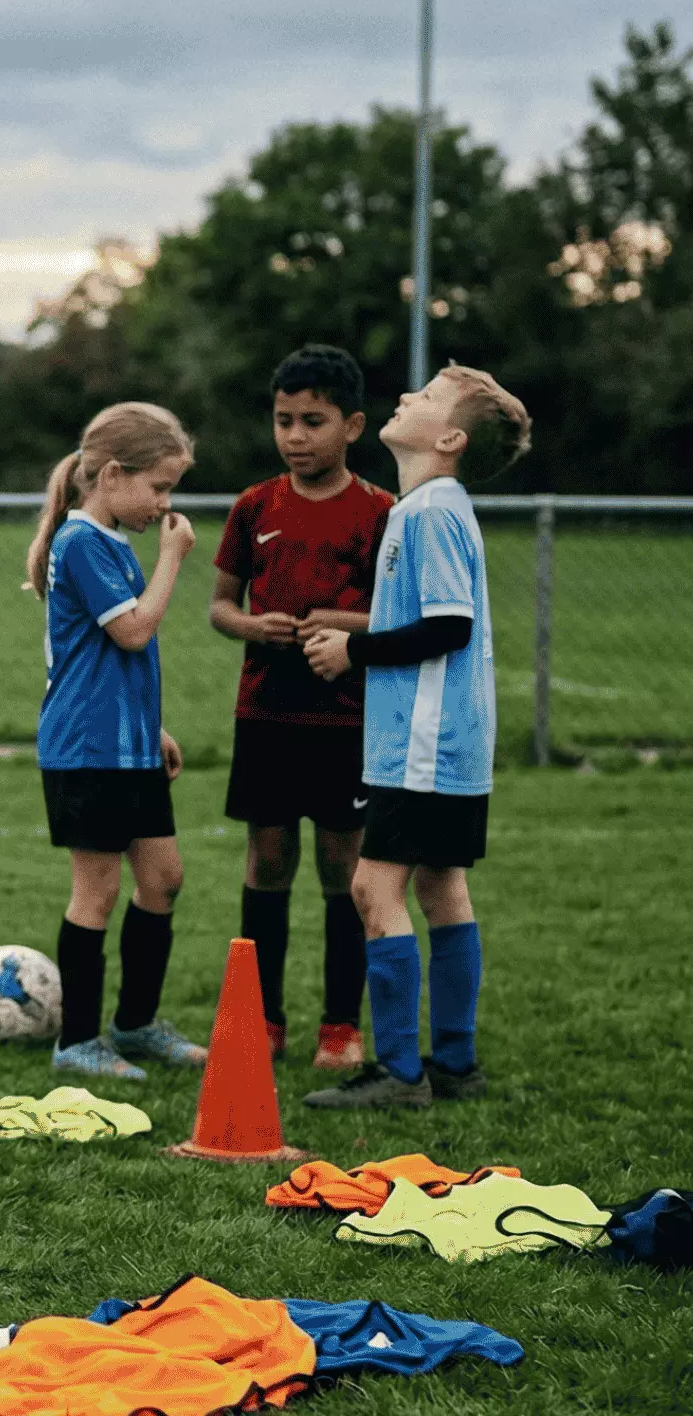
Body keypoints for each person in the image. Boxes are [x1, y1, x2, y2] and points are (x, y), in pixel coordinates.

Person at [302, 365, 531, 1110]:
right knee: (440, 887)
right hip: (450, 742)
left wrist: (353, 650)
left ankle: (400, 1074)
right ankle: (456, 1064)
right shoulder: (435, 507)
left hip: (425, 745)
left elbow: (446, 626)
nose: (406, 397)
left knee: (373, 887)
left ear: (450, 438)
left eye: (427, 397)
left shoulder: (429, 512)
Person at [208, 345, 395, 1069]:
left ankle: (339, 1028)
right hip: (266, 714)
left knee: (343, 869)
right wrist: (254, 627)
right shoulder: (255, 506)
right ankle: (264, 1021)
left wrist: (341, 625)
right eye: (283, 420)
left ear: (352, 426)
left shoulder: (381, 511)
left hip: (348, 718)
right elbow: (222, 607)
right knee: (268, 860)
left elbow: (401, 616)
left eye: (312, 421)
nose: (294, 435)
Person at [27, 403, 206, 1084]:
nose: (165, 504)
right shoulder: (80, 543)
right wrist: (172, 560)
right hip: (85, 749)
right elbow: (132, 632)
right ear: (111, 475)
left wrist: (149, 727)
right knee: (96, 892)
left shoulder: (110, 542)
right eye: (159, 487)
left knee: (163, 880)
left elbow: (110, 658)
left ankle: (135, 1023)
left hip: (127, 747)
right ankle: (77, 1041)